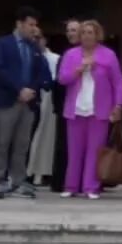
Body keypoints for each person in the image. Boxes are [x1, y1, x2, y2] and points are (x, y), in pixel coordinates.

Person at [56, 20, 122, 198]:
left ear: (97, 35)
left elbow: (118, 82)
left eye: (91, 32)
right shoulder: (71, 54)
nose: (87, 35)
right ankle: (71, 186)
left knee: (95, 150)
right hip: (76, 109)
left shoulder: (108, 55)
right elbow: (62, 79)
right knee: (74, 151)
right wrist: (78, 70)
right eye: (84, 32)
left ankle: (91, 187)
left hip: (99, 110)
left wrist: (118, 105)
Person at [0, 6, 52, 199]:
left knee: (22, 144)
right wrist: (19, 89)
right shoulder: (2, 43)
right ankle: (0, 181)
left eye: (36, 25)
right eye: (30, 24)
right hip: (8, 100)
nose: (34, 28)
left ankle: (18, 181)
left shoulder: (34, 47)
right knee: (3, 142)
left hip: (28, 103)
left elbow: (42, 72)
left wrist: (31, 89)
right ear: (19, 24)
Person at [48, 18, 81, 193]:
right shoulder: (65, 54)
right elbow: (59, 82)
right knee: (62, 145)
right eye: (69, 30)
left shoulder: (89, 53)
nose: (70, 33)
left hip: (83, 106)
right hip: (64, 105)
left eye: (74, 30)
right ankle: (61, 181)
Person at [26, 31, 61, 184]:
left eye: (38, 38)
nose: (36, 41)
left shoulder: (55, 58)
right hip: (29, 99)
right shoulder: (26, 56)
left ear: (44, 40)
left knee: (46, 139)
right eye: (33, 38)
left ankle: (44, 173)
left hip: (48, 100)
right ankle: (27, 172)